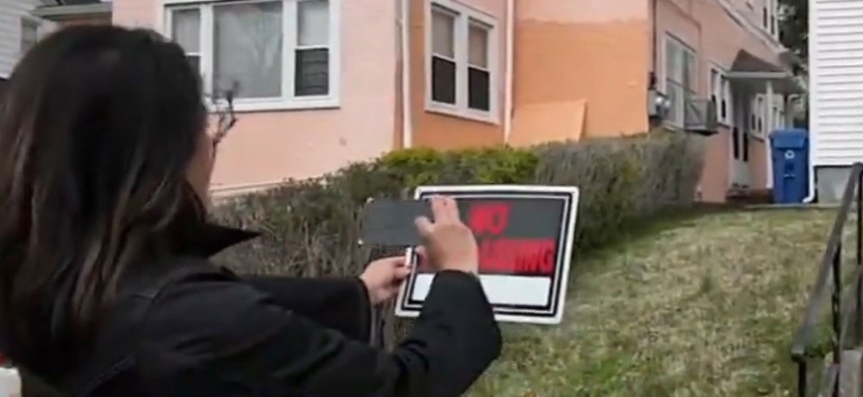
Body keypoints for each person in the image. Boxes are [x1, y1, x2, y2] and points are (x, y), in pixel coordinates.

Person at [0, 24, 501, 396]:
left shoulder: (47, 279)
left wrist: (356, 292)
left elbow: (192, 300)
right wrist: (457, 274)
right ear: (160, 151)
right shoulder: (192, 323)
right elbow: (404, 387)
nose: (213, 141)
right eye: (205, 122)